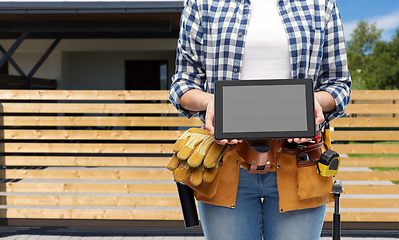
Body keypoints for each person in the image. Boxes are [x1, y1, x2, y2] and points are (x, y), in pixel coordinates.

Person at [169, 0, 351, 239]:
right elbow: (182, 84)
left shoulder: (321, 4)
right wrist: (210, 102)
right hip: (226, 160)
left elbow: (339, 85)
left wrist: (311, 102)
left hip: (299, 161)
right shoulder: (202, 3)